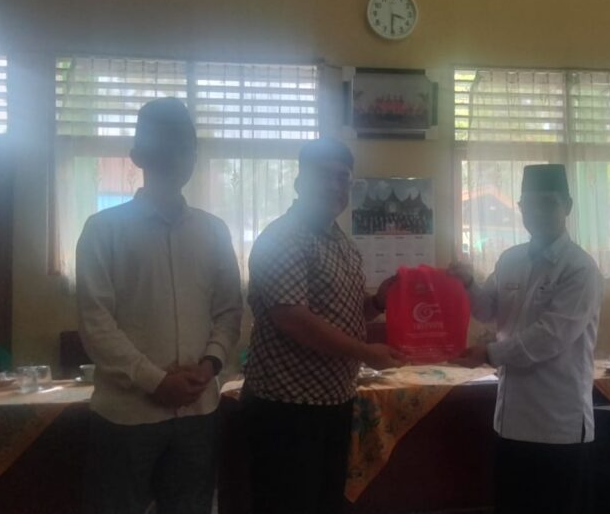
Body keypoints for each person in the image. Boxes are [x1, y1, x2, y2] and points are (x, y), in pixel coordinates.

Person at [76, 98, 242, 514]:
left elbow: (228, 311)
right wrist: (155, 381)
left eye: (185, 146)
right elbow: (96, 323)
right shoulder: (103, 230)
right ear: (138, 155)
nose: (176, 155)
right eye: (163, 145)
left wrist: (209, 365)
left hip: (198, 411)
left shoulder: (214, 231)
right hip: (126, 415)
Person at [242, 137, 406, 513]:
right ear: (300, 182)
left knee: (325, 502)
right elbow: (293, 318)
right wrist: (366, 353)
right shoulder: (283, 237)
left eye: (343, 178)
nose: (335, 186)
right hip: (286, 407)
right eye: (324, 176)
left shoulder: (341, 243)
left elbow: (343, 313)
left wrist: (378, 302)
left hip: (333, 402)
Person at [449, 164, 603, 514]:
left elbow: (550, 337)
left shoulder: (580, 269)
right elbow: (488, 309)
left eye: (548, 203)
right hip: (511, 420)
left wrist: (488, 353)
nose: (538, 212)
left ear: (567, 206)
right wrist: (468, 283)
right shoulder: (510, 259)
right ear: (520, 208)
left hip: (558, 425)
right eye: (530, 204)